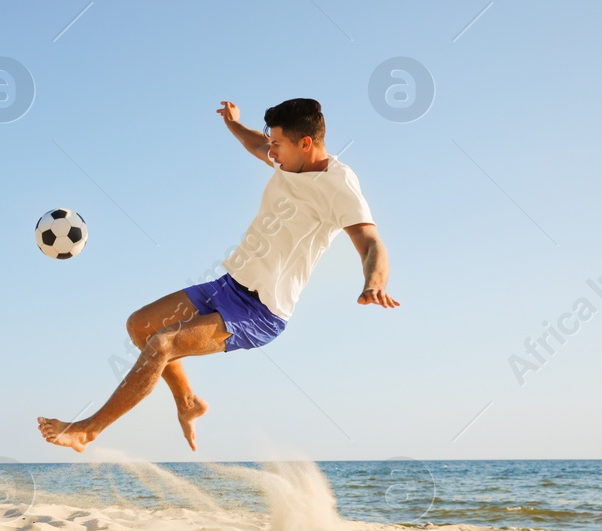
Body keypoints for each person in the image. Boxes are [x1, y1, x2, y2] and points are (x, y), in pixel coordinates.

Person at [37, 98, 399, 452]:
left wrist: (375, 281)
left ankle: (88, 430)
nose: (271, 151)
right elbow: (255, 143)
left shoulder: (339, 184)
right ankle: (188, 401)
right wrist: (232, 123)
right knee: (140, 327)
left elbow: (370, 242)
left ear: (306, 144)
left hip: (261, 310)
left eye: (278, 144)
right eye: (271, 142)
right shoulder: (287, 162)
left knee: (163, 344)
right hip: (228, 284)